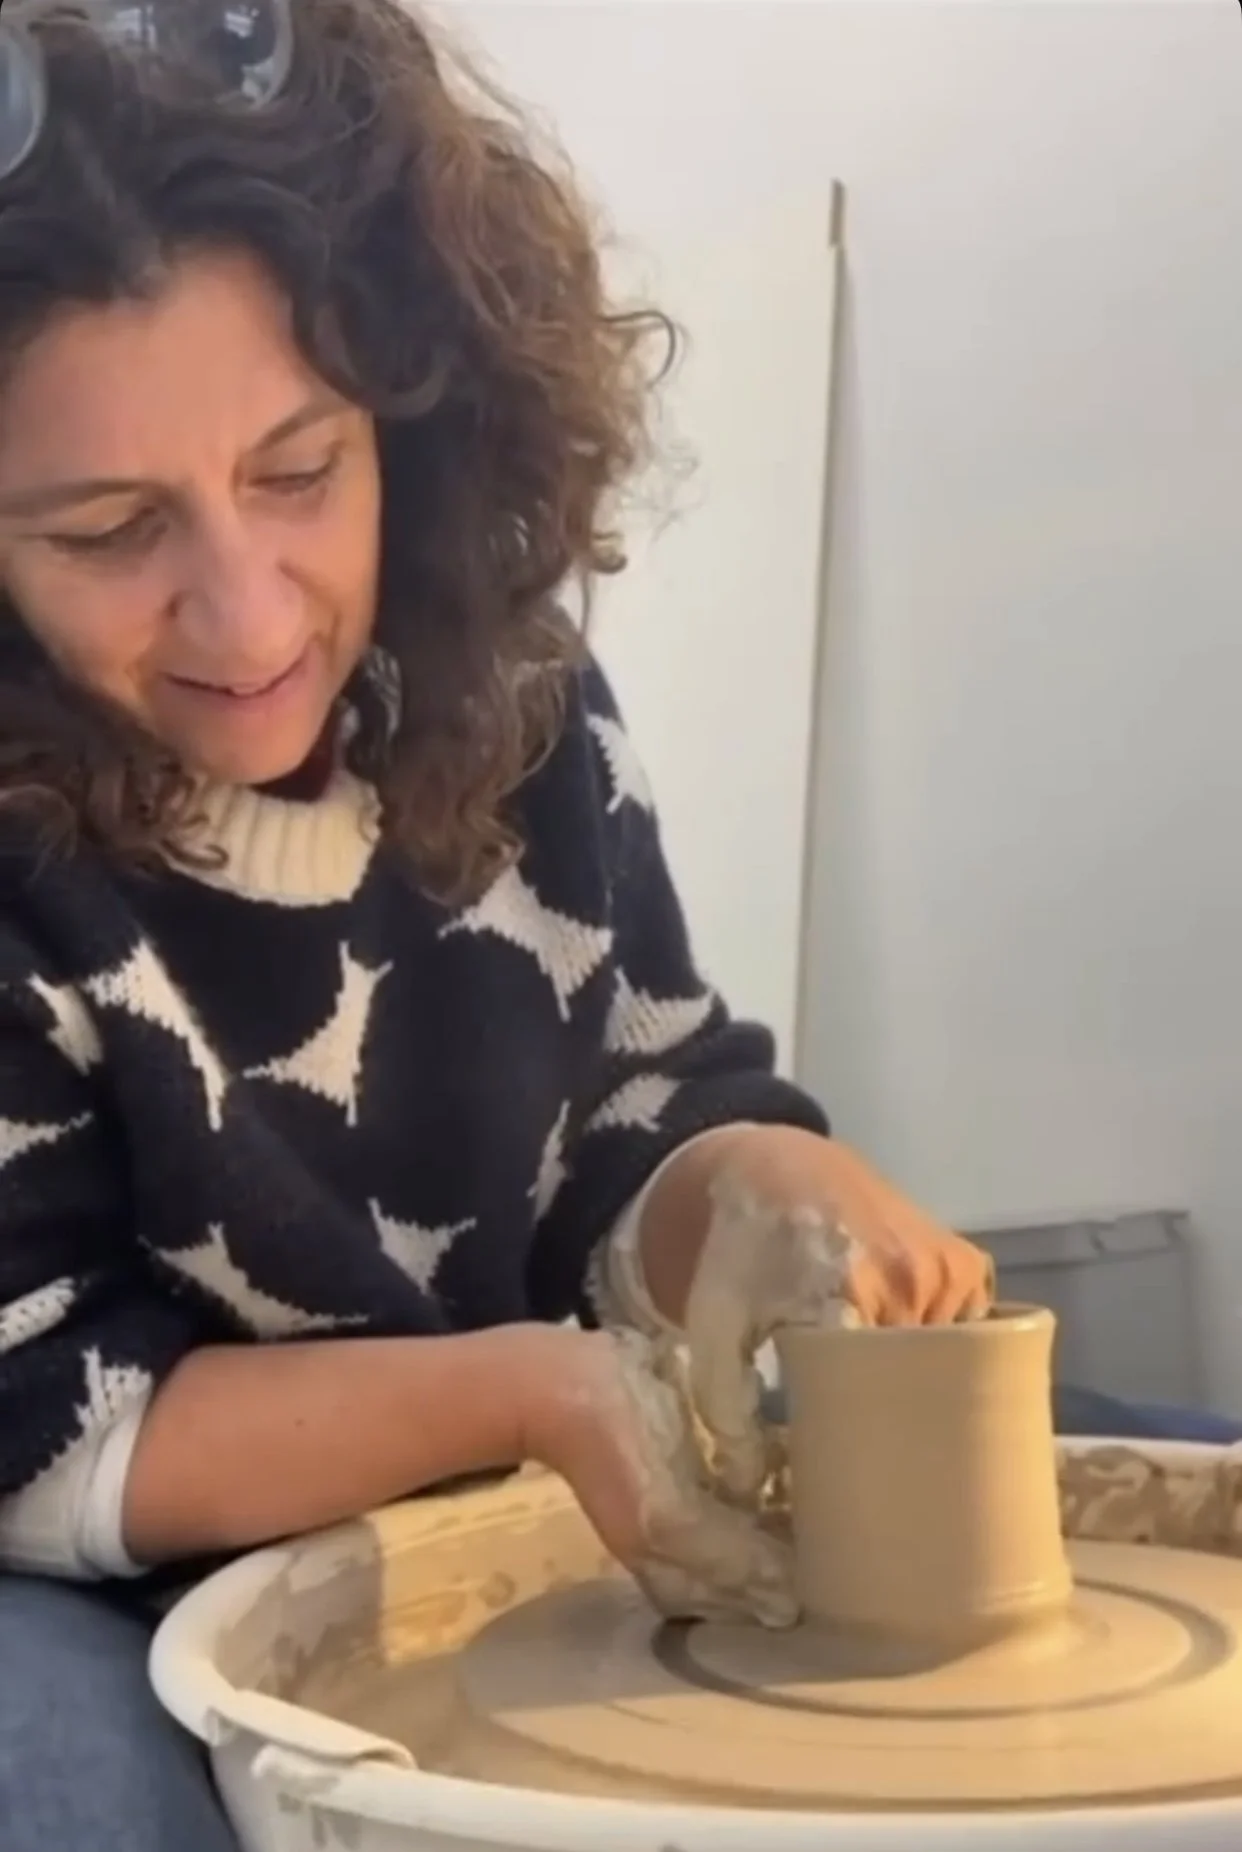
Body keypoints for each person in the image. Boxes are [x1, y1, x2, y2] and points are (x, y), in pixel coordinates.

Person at [0, 2, 996, 1846]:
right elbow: (40, 1416)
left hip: (531, 1477)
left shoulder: (510, 706)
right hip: (92, 1572)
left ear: (420, 413)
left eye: (299, 471)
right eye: (108, 528)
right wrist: (526, 1395)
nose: (243, 616)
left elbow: (645, 1107)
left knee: (1124, 1477)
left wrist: (754, 1195)